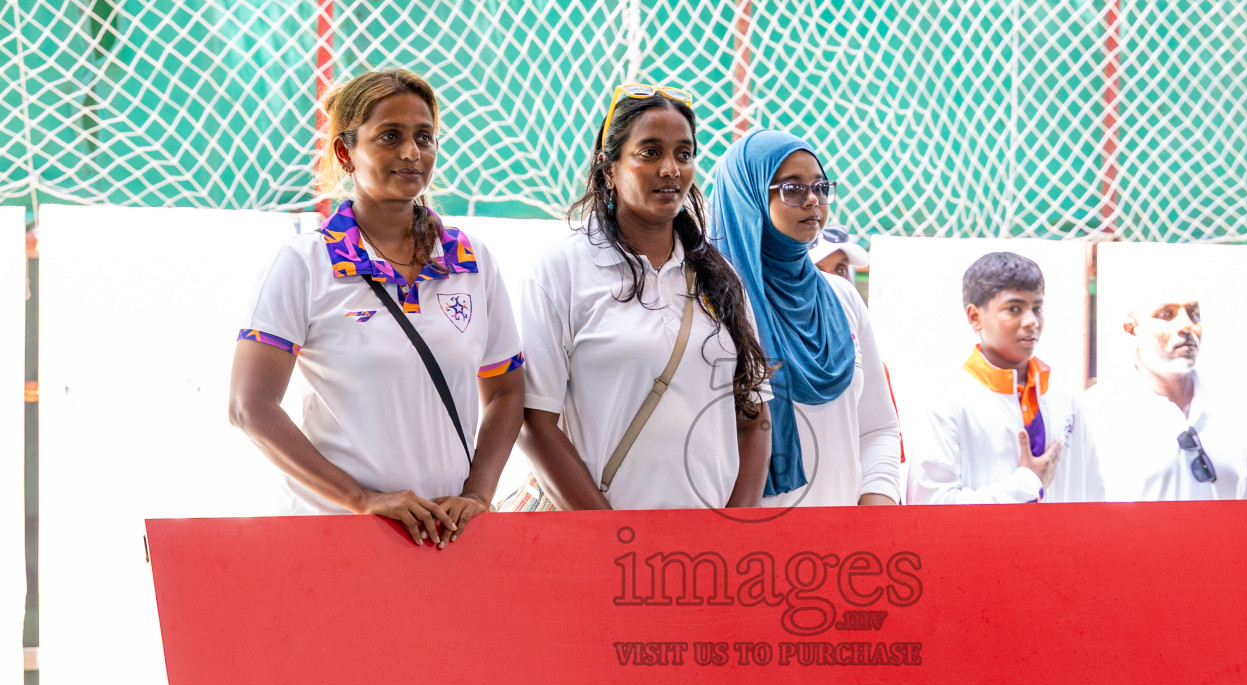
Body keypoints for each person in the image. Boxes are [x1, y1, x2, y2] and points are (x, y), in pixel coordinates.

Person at [229, 69, 525, 546]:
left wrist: (478, 495)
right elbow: (250, 408)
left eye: (424, 137)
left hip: (445, 541)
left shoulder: (472, 261)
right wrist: (361, 498)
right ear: (346, 152)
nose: (412, 153)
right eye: (390, 136)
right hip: (335, 535)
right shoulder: (304, 264)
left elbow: (507, 392)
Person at [516, 84, 773, 511]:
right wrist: (609, 537)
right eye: (650, 152)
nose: (671, 168)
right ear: (609, 169)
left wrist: (733, 536)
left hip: (704, 554)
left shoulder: (719, 277)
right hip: (602, 550)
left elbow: (754, 417)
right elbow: (533, 422)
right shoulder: (561, 269)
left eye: (684, 153)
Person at [709, 129, 902, 507]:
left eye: (821, 186)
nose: (813, 199)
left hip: (846, 552)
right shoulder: (712, 307)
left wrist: (875, 512)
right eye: (792, 188)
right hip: (747, 552)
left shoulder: (842, 297)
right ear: (747, 198)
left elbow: (879, 428)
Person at [1055, 292, 1247, 501]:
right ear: (1132, 330)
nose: (1186, 325)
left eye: (1193, 313)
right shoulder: (1097, 412)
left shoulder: (1234, 408)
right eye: (1167, 314)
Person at [906, 252, 1065, 504]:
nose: (1031, 321)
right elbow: (930, 507)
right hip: (976, 544)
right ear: (975, 317)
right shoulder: (946, 402)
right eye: (1014, 309)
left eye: (1037, 308)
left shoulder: (1064, 398)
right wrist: (1026, 483)